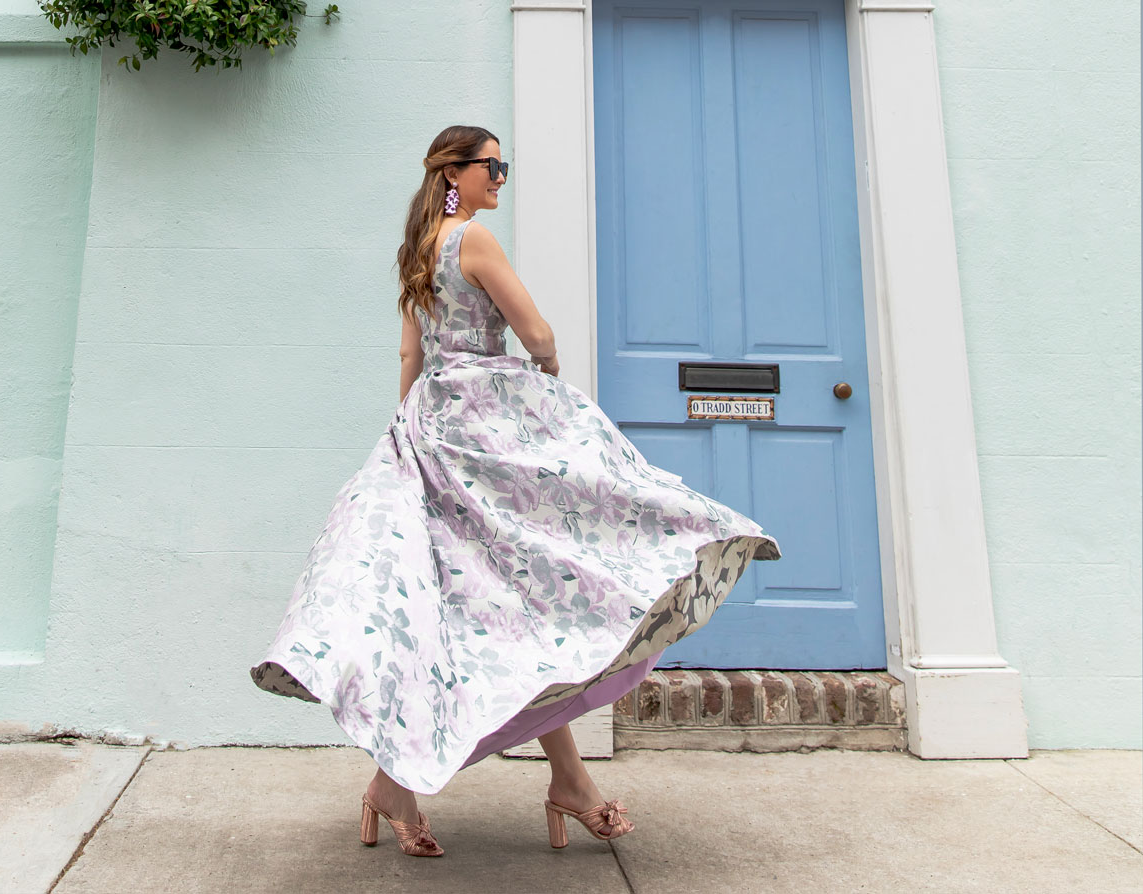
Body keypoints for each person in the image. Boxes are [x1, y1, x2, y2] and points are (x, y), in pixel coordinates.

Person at [251, 124, 780, 856]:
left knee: (495, 612)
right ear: (453, 175)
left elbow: (410, 352)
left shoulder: (416, 249)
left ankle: (474, 784)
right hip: (487, 427)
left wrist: (405, 435)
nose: (501, 178)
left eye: (504, 167)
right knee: (520, 602)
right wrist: (548, 363)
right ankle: (464, 783)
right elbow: (535, 332)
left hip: (432, 427)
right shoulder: (472, 240)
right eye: (491, 167)